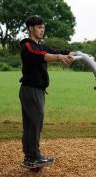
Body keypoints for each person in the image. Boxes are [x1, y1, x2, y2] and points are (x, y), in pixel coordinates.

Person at [19, 15, 74, 168]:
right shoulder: (27, 46)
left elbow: (58, 50)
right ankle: (33, 155)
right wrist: (58, 57)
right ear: (31, 28)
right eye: (39, 27)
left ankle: (30, 157)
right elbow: (41, 56)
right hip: (30, 89)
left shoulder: (41, 45)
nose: (42, 30)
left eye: (43, 27)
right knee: (34, 123)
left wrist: (75, 54)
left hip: (38, 90)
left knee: (33, 123)